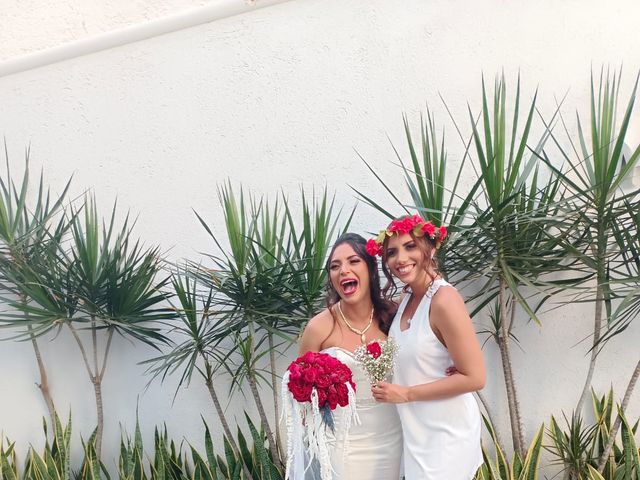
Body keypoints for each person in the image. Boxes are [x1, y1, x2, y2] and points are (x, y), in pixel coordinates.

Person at [369, 215, 486, 479]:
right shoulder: (407, 297)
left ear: (431, 249)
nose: (400, 259)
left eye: (410, 246)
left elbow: (476, 377)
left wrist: (406, 393)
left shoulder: (444, 300)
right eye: (392, 252)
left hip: (446, 434)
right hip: (417, 433)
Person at [297, 232, 403, 479]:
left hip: (390, 439)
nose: (343, 270)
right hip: (340, 445)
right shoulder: (319, 328)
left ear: (371, 269)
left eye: (353, 261)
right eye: (335, 266)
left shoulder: (394, 317)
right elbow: (302, 394)